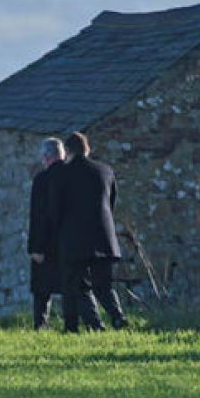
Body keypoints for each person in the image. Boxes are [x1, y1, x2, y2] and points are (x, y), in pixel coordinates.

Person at [50, 132, 127, 332]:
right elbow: (111, 203)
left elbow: (56, 207)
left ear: (67, 151)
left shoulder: (62, 174)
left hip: (75, 238)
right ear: (87, 149)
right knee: (104, 285)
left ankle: (96, 325)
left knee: (80, 285)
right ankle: (118, 317)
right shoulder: (106, 171)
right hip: (103, 235)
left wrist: (56, 233)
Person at [27, 137, 66, 329]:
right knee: (70, 285)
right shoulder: (71, 176)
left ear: (46, 157)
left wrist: (35, 247)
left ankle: (41, 323)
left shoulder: (42, 180)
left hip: (45, 241)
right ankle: (71, 323)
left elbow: (37, 215)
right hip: (68, 240)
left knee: (42, 288)